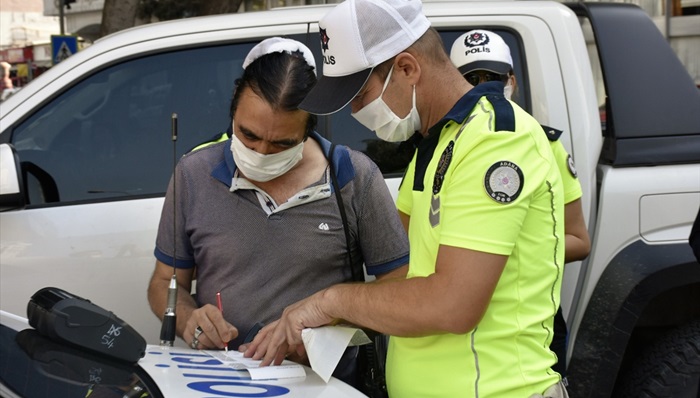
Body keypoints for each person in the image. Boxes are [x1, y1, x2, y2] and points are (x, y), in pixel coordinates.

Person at [245, 0, 569, 397]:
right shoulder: (436, 145)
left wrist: (330, 302)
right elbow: (401, 284)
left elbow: (453, 305)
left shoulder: (496, 143)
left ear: (407, 68)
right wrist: (315, 323)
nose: (357, 111)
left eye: (361, 95)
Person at [147, 37, 409, 385]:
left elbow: (402, 293)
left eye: (282, 143)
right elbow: (165, 283)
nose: (261, 153)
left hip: (330, 387)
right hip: (223, 383)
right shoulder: (193, 175)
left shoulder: (353, 177)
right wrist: (187, 320)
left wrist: (325, 328)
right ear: (233, 112)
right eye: (249, 135)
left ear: (308, 130)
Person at [450, 29, 591, 378]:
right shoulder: (442, 150)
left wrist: (507, 254)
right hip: (455, 326)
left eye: (493, 79)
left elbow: (579, 239)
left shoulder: (547, 146)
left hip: (528, 321)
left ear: (511, 80)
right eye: (472, 79)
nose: (483, 88)